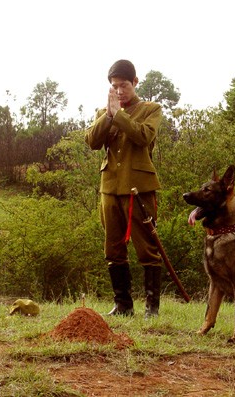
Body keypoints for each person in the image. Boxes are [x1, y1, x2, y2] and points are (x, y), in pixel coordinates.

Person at [85, 59, 164, 318]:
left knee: (147, 249)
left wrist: (119, 115)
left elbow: (144, 136)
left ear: (135, 83)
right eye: (115, 86)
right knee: (113, 249)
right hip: (109, 188)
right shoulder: (104, 113)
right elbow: (92, 142)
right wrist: (108, 116)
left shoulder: (151, 109)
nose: (119, 91)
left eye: (124, 85)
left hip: (138, 189)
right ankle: (123, 306)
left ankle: (151, 308)